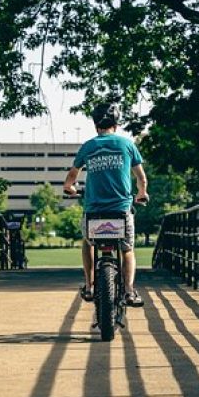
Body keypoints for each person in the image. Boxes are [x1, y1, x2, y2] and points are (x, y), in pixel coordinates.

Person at [63, 102, 148, 306]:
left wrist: (70, 189)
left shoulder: (89, 146)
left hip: (94, 210)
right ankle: (129, 291)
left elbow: (71, 179)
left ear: (95, 124)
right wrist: (142, 193)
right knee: (127, 249)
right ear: (116, 124)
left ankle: (90, 286)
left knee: (88, 243)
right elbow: (141, 178)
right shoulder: (127, 144)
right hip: (121, 209)